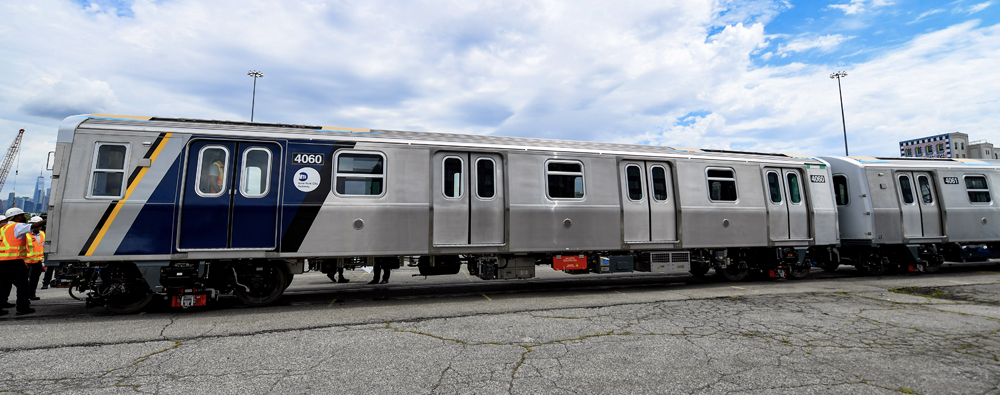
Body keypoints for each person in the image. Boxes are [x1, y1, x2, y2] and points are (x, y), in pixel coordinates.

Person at [0, 208, 46, 315]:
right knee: (23, 285)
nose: (25, 217)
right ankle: (22, 307)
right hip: (14, 261)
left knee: (3, 285)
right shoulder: (17, 226)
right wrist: (49, 219)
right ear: (17, 217)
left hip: (2, 262)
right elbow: (33, 226)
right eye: (22, 215)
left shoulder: (3, 228)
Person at [25, 216, 45, 300]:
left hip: (38, 261)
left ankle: (32, 294)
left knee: (34, 279)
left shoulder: (42, 234)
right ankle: (25, 296)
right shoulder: (26, 235)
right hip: (27, 262)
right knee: (25, 281)